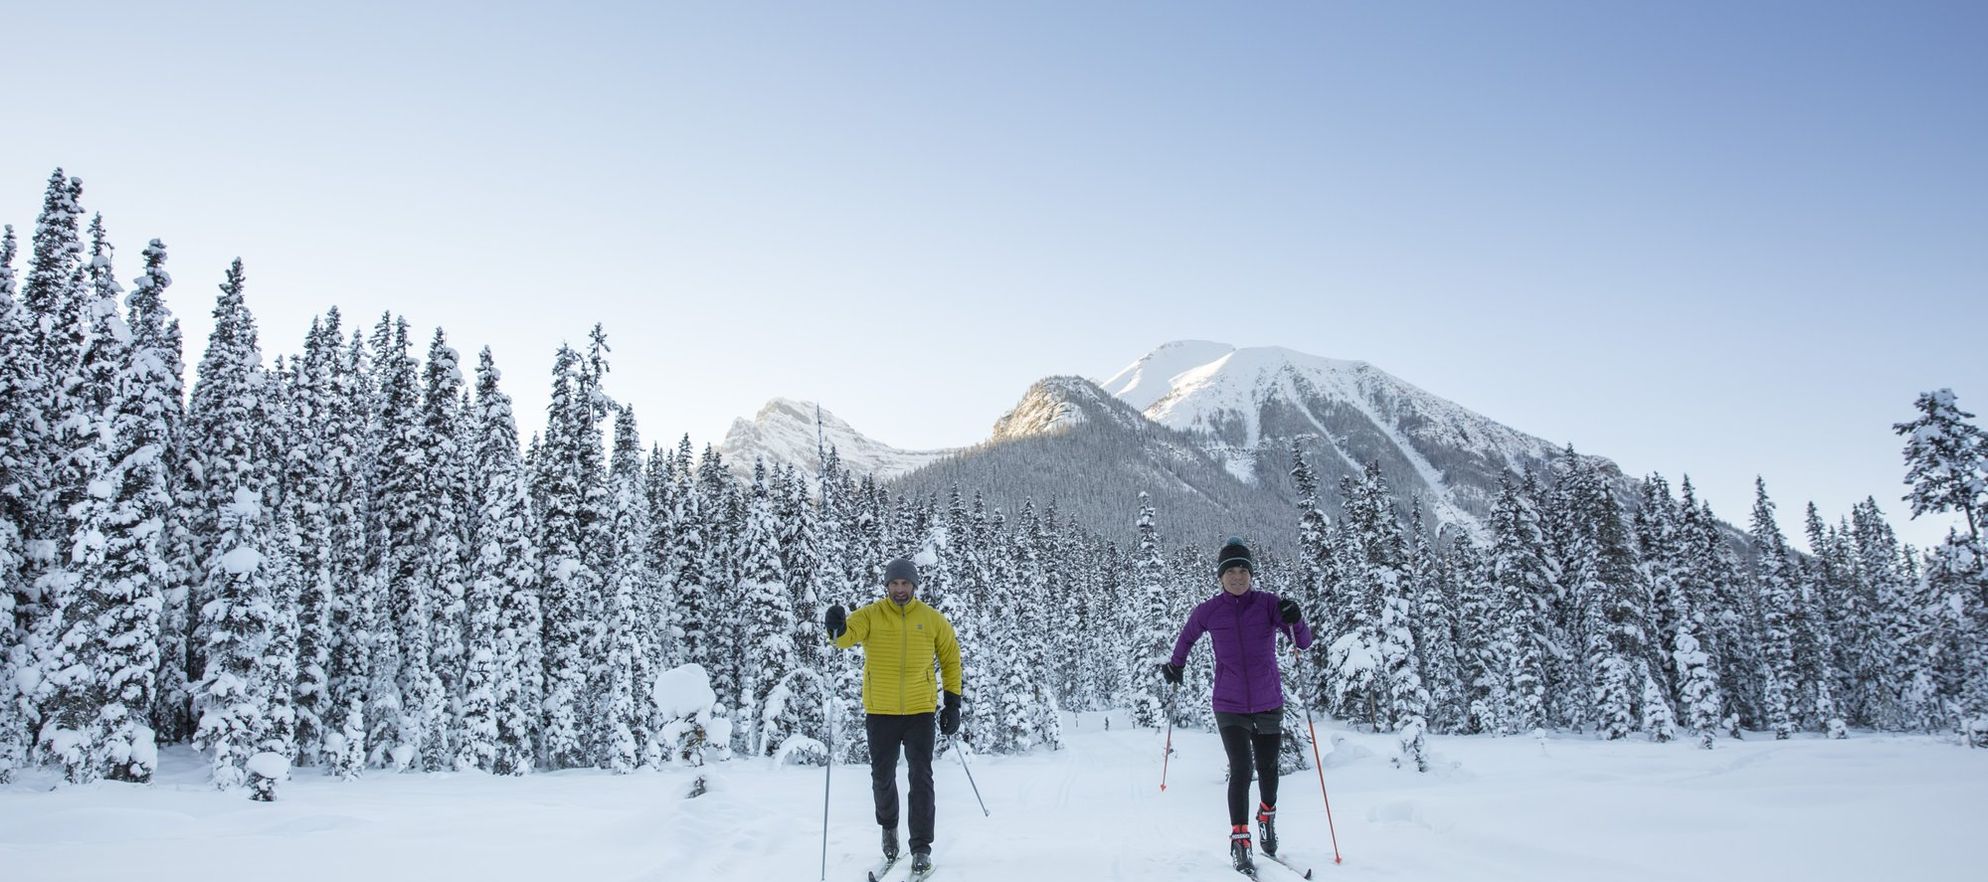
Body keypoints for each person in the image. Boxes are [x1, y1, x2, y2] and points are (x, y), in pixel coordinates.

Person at [1161, 537, 1314, 875]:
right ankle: (1240, 840)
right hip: (1228, 703)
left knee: (1269, 767)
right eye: (1230, 571)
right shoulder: (1209, 611)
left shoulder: (1269, 605)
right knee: (1242, 767)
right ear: (1220, 576)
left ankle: (1266, 816)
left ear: (1251, 574)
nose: (1237, 576)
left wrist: (1295, 618)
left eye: (1242, 570)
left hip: (1268, 700)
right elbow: (1187, 636)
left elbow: (1302, 641)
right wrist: (1176, 665)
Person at [825, 557, 963, 877]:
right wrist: (837, 626)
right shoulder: (871, 615)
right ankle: (889, 828)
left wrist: (952, 703)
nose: (899, 589)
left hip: (920, 711)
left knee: (921, 777)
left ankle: (921, 849)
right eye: (894, 583)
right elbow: (844, 638)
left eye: (905, 583)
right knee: (882, 777)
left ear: (914, 585)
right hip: (880, 711)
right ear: (886, 585)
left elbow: (951, 659)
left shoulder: (932, 620)